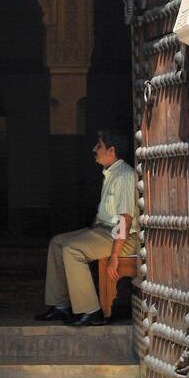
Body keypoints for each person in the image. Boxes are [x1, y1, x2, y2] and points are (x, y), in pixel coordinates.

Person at [35, 129, 137, 327]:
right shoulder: (111, 173)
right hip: (104, 231)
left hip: (121, 238)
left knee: (72, 249)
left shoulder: (124, 176)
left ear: (111, 150)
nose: (94, 149)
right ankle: (60, 305)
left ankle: (92, 311)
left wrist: (115, 255)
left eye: (99, 146)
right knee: (58, 242)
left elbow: (125, 219)